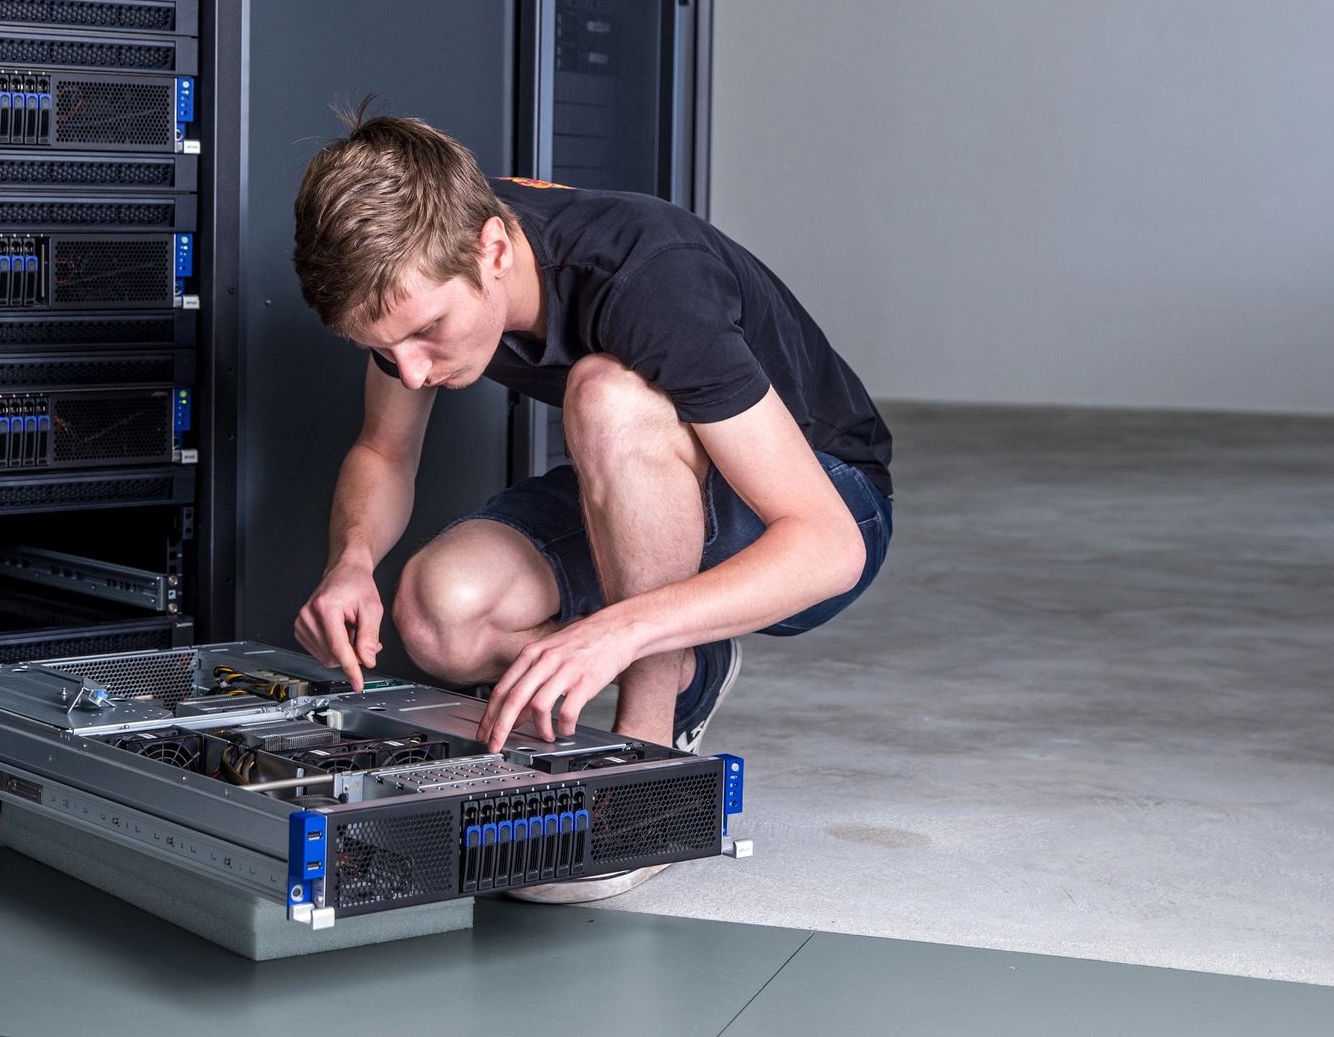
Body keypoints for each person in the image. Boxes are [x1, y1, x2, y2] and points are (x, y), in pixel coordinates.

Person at [290, 108, 893, 901]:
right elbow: (382, 450)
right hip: (665, 480)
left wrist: (620, 632)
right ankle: (691, 652)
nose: (408, 370)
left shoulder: (648, 277)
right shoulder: (429, 237)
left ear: (493, 252)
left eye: (428, 332)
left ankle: (646, 747)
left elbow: (828, 545)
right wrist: (352, 562)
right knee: (440, 616)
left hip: (818, 499)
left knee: (607, 393)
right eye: (380, 348)